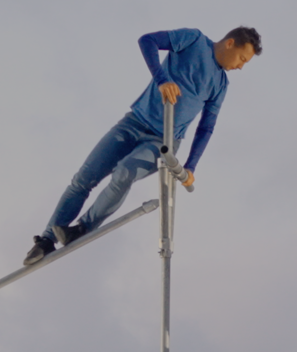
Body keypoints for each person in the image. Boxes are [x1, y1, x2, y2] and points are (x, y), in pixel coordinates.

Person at [24, 27, 262, 265]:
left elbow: (206, 127)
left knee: (125, 172)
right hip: (133, 123)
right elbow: (147, 41)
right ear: (230, 43)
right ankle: (45, 241)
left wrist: (191, 167)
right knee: (84, 178)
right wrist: (162, 79)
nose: (241, 67)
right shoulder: (194, 40)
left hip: (163, 142)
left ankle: (81, 229)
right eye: (242, 59)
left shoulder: (220, 84)